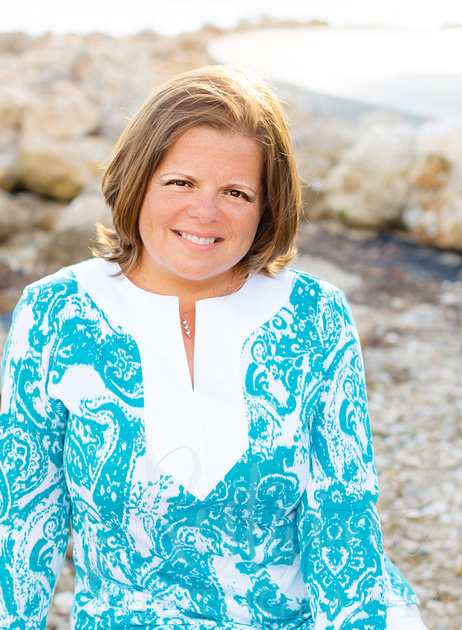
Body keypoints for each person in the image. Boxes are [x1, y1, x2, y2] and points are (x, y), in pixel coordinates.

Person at [0, 65, 427, 630]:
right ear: (138, 180)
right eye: (180, 183)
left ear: (266, 207)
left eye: (236, 192)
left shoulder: (315, 316)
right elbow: (23, 525)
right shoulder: (56, 313)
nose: (206, 213)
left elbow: (342, 523)